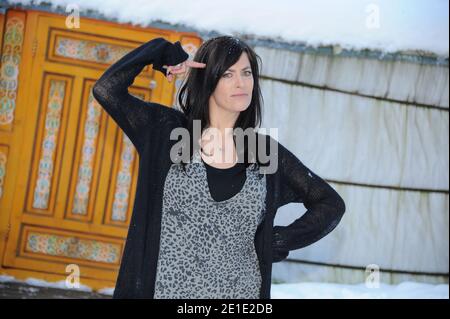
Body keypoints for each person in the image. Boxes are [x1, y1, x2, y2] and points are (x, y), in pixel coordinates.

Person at [92, 36, 346, 299]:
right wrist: (160, 51)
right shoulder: (167, 132)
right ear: (208, 80)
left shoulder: (262, 151)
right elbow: (107, 90)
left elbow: (330, 204)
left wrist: (280, 239)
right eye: (228, 74)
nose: (241, 83)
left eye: (247, 73)